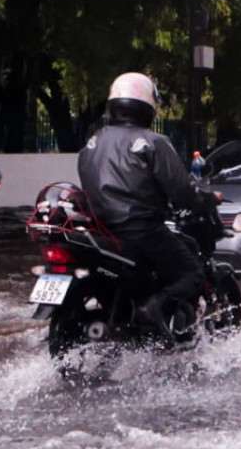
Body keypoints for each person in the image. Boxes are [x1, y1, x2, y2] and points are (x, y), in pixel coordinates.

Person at [77, 72, 219, 334]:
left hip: (102, 231)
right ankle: (155, 307)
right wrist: (205, 199)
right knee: (193, 273)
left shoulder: (93, 142)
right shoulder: (152, 142)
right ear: (147, 108)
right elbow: (181, 191)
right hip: (142, 231)